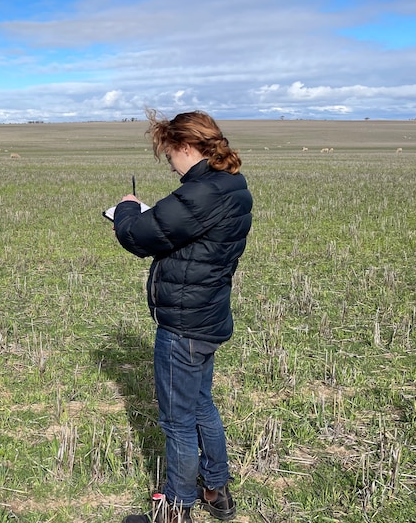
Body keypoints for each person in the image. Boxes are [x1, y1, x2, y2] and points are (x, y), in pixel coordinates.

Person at [113, 110, 253, 523]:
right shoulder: (231, 186)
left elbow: (138, 236)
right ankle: (216, 492)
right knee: (201, 406)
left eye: (169, 154)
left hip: (184, 323)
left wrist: (125, 210)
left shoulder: (200, 194)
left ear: (186, 147)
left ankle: (175, 511)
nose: (170, 164)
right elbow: (184, 231)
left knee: (177, 421)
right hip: (209, 316)